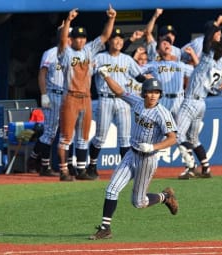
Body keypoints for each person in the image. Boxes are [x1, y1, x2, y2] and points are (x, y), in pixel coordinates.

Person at [89, 68, 178, 240]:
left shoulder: (162, 114)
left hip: (148, 159)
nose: (153, 95)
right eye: (150, 92)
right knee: (111, 189)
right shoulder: (137, 102)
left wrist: (153, 147)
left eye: (157, 92)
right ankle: (105, 228)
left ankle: (165, 196)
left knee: (139, 202)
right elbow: (120, 91)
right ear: (144, 93)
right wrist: (106, 76)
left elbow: (173, 138)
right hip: (131, 154)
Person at [57, 6, 117, 181]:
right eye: (76, 37)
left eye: (83, 37)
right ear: (71, 39)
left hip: (86, 98)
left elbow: (105, 36)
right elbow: (62, 42)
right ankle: (64, 171)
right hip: (71, 97)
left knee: (83, 138)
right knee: (66, 137)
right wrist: (68, 21)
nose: (80, 40)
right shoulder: (66, 52)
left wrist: (112, 19)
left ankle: (82, 171)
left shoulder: (89, 50)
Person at [176, 16, 222, 180]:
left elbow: (208, 42)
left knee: (178, 135)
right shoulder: (220, 59)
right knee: (193, 138)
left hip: (191, 102)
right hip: (202, 103)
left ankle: (191, 167)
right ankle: (206, 168)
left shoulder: (206, 60)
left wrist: (216, 25)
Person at [86, 27, 145, 179]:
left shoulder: (127, 59)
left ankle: (125, 169)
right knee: (100, 136)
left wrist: (149, 80)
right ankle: (91, 166)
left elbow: (139, 76)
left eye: (120, 38)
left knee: (125, 137)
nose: (118, 41)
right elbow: (86, 74)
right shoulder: (99, 58)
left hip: (123, 99)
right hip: (105, 98)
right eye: (115, 38)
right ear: (109, 41)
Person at [27, 24, 74, 176]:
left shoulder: (74, 54)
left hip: (68, 96)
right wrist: (44, 94)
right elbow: (42, 74)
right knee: (50, 131)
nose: (71, 39)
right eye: (68, 35)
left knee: (67, 132)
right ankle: (45, 166)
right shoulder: (51, 53)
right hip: (52, 94)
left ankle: (34, 158)